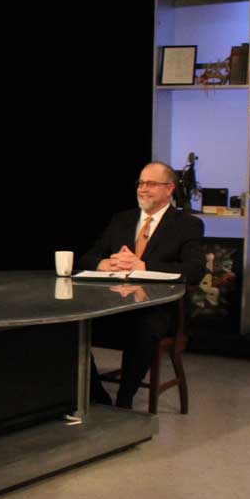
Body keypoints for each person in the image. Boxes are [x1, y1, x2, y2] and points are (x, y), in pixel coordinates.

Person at [77, 162, 204, 409]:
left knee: (143, 326)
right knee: (73, 325)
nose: (143, 189)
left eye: (151, 184)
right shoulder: (121, 220)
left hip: (159, 310)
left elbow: (195, 270)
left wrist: (142, 266)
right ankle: (97, 395)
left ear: (169, 189)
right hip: (114, 305)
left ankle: (124, 402)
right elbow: (86, 259)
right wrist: (105, 263)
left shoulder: (187, 224)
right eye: (141, 183)